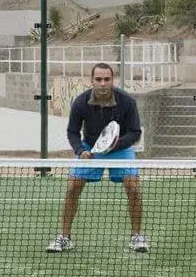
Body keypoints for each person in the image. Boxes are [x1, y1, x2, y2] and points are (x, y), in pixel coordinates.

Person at [46, 63, 149, 253]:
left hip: (119, 148)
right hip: (90, 148)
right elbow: (72, 132)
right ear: (91, 81)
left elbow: (135, 132)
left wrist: (114, 145)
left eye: (107, 79)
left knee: (133, 187)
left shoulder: (127, 101)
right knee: (72, 187)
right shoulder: (80, 102)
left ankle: (137, 236)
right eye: (98, 79)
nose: (102, 83)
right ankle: (64, 237)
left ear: (112, 80)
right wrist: (80, 151)